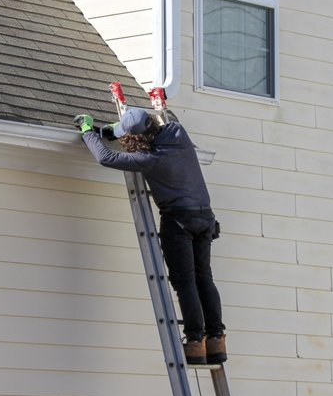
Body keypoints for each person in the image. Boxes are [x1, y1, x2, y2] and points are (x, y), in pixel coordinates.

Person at [73, 108, 226, 365]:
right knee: (204, 278)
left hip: (179, 221)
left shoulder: (149, 158)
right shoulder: (178, 133)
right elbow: (148, 124)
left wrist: (88, 131)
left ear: (137, 139)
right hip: (205, 218)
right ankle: (216, 339)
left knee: (185, 282)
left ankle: (195, 342)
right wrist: (110, 130)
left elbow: (105, 157)